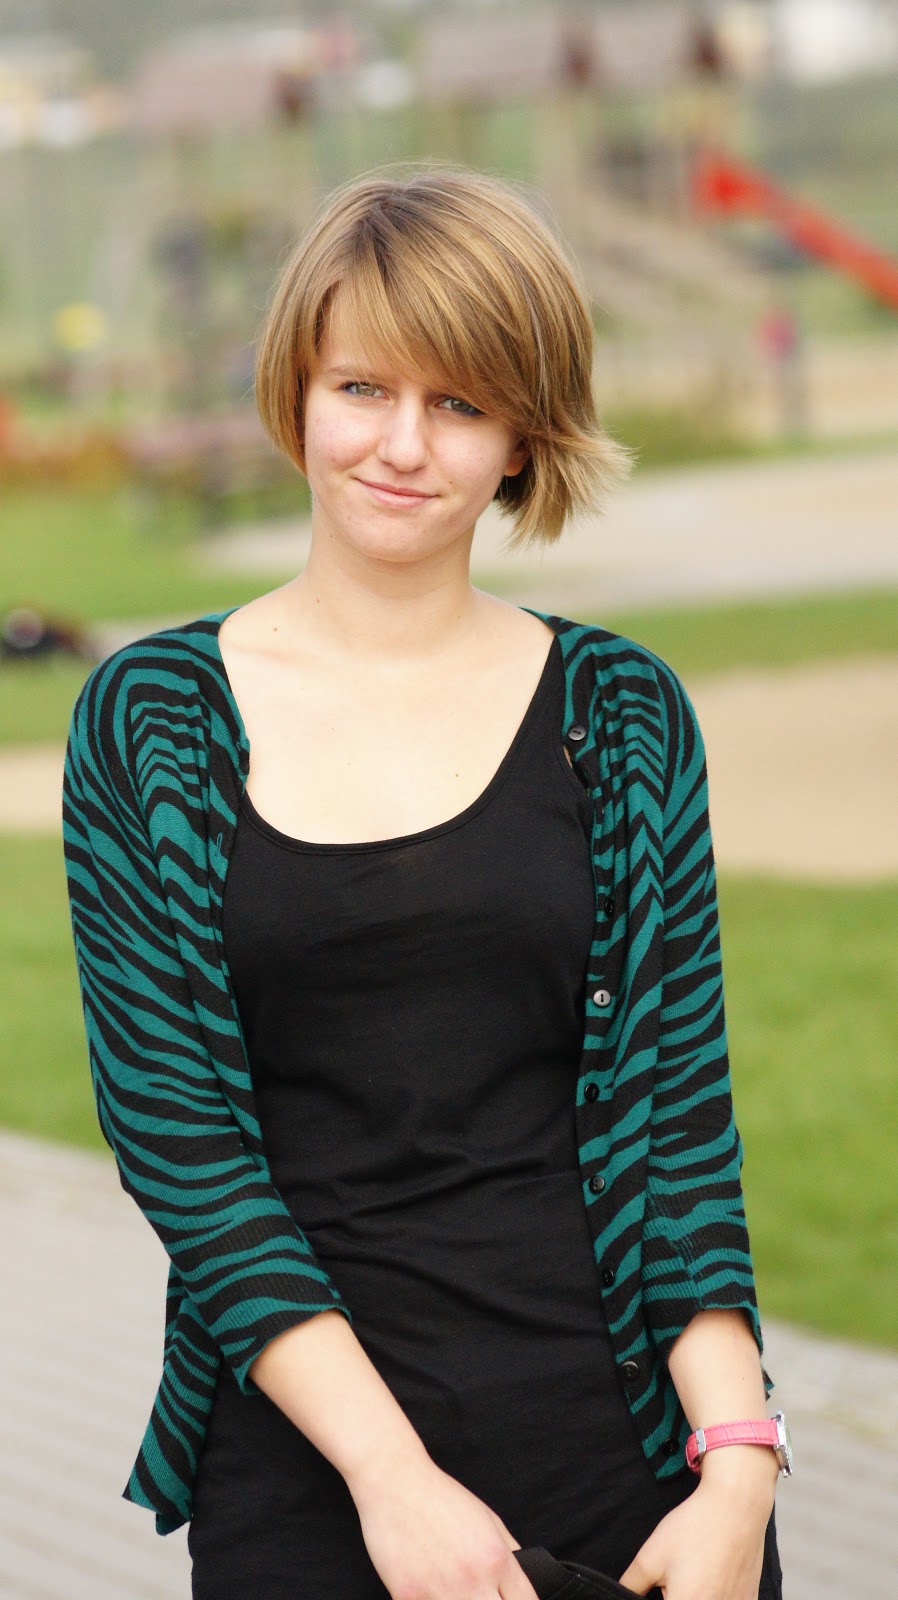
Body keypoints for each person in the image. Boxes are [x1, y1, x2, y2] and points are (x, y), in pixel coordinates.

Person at [62, 167, 786, 1600]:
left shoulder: (623, 713)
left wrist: (741, 1472)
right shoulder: (148, 720)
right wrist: (392, 1483)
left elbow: (680, 1129)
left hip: (634, 1474)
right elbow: (180, 1147)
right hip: (314, 1478)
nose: (402, 445)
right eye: (362, 387)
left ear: (522, 434)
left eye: (458, 403)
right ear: (297, 390)